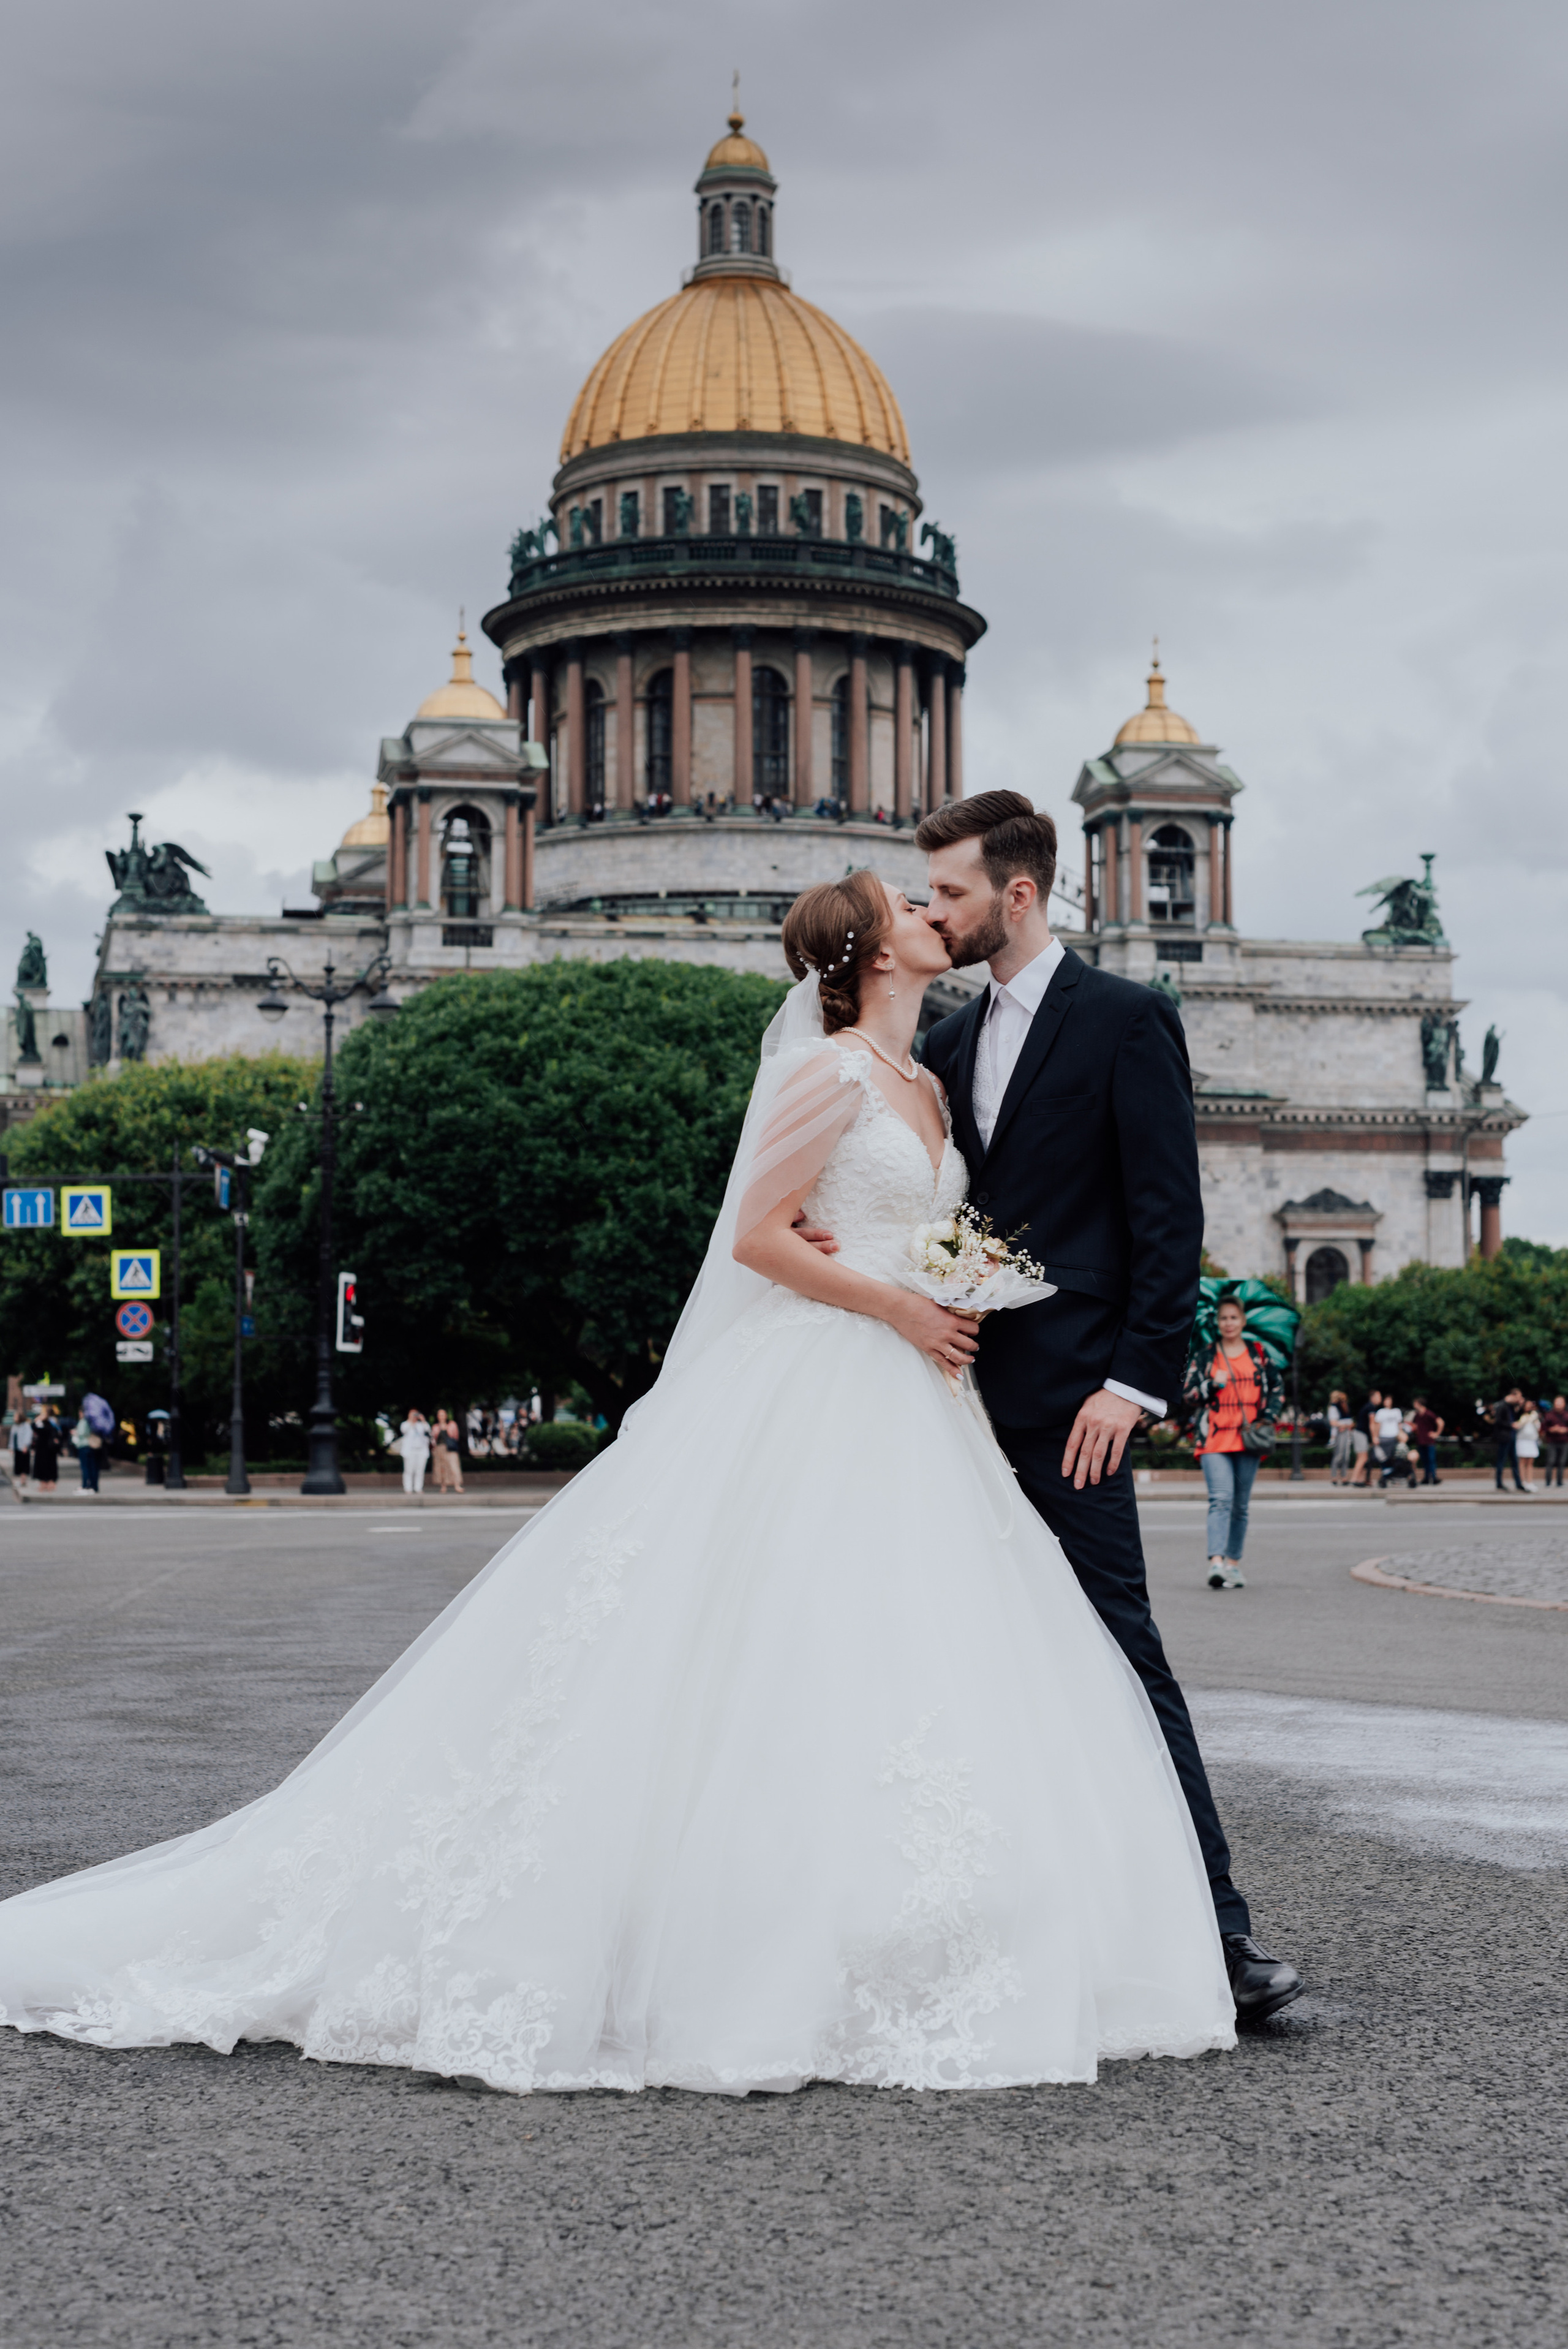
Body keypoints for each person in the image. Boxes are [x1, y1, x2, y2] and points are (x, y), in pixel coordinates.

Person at [0, 868, 1246, 2097]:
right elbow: (753, 1235)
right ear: (868, 950)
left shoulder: (927, 1074)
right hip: (837, 1374)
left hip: (915, 1396)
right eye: (910, 906)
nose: (938, 915)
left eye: (943, 898)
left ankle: (914, 1917)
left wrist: (945, 1294)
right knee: (777, 1650)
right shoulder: (823, 1070)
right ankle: (733, 1931)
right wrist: (896, 1302)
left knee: (898, 1653)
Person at [910, 792, 1302, 2021]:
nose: (936, 914)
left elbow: (1163, 1219)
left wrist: (1130, 1386)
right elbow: (939, 1223)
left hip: (1071, 1407)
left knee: (1124, 1662)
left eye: (952, 895)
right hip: (942, 1410)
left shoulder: (1127, 1020)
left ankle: (1219, 1938)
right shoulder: (938, 1046)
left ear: (1016, 896)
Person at [1183, 1296, 1280, 1589]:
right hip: (1215, 1437)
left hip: (1249, 1438)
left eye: (1233, 1318)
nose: (1228, 1323)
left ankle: (1233, 1564)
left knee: (1240, 1506)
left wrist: (1268, 1417)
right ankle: (1216, 1563)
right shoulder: (1206, 1356)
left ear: (1243, 1321)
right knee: (1221, 1500)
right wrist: (1212, 1384)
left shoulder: (1259, 1354)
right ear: (1218, 1323)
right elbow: (1188, 1394)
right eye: (1224, 1318)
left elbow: (1276, 1389)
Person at [1488, 1390, 1526, 1493]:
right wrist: (1511, 1425)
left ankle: (1519, 1484)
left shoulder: (1510, 1406)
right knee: (1502, 1461)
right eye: (1518, 1397)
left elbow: (1515, 1418)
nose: (1519, 1399)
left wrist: (1520, 1406)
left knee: (1514, 1461)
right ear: (1512, 1395)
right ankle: (1499, 1484)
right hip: (1504, 1437)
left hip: (1511, 1437)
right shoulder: (1501, 1405)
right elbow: (1499, 1421)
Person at [1408, 1396, 1444, 1486]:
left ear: (1419, 1404)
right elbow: (1414, 1426)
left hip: (1429, 1441)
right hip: (1421, 1441)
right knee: (1425, 1461)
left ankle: (1434, 1478)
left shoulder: (1429, 1414)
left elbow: (1441, 1422)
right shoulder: (1417, 1415)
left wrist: (1437, 1434)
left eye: (1415, 1403)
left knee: (1431, 1460)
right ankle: (1427, 1478)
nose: (1414, 1405)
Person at [1372, 1396, 1408, 1488]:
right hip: (1384, 1437)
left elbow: (1399, 1425)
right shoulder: (1381, 1412)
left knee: (1395, 1458)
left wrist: (1402, 1436)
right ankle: (1387, 1475)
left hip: (1394, 1437)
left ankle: (1393, 1477)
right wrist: (1375, 1437)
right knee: (1384, 1458)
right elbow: (1377, 1425)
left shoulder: (1396, 1411)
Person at [1349, 1390, 1381, 1488]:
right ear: (1373, 1397)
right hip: (1361, 1434)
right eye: (1379, 1396)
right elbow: (1372, 1424)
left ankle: (1360, 1479)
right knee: (1363, 1458)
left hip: (1360, 1434)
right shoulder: (1371, 1407)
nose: (1380, 1399)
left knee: (1362, 1458)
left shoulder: (1368, 1406)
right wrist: (1374, 1438)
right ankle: (1354, 1479)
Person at [398, 1408, 431, 1495]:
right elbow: (404, 1431)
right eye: (412, 1414)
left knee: (420, 1470)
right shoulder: (405, 1424)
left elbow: (428, 1430)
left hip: (421, 1450)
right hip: (410, 1451)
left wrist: (423, 1420)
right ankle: (408, 1488)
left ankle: (418, 1488)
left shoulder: (421, 1425)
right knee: (409, 1470)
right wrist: (411, 1421)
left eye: (416, 1414)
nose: (414, 1416)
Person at [431, 1409, 464, 1494]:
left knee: (454, 1467)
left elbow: (456, 1436)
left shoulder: (452, 1425)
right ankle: (443, 1486)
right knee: (441, 1468)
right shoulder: (435, 1427)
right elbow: (433, 1439)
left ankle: (457, 1485)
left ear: (446, 1416)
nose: (441, 1417)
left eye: (443, 1415)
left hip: (450, 1448)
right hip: (439, 1448)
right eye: (440, 1415)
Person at [69, 1410, 102, 1496]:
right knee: (92, 1467)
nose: (79, 1414)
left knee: (85, 1468)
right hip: (90, 1446)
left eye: (80, 1412)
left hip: (84, 1446)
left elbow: (82, 1433)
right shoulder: (91, 1422)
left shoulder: (84, 1421)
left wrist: (75, 1432)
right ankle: (93, 1486)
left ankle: (85, 1486)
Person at [28, 1410, 59, 1494]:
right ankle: (44, 1484)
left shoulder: (51, 1424)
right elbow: (34, 1427)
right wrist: (37, 1420)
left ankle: (50, 1484)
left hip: (49, 1450)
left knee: (49, 1467)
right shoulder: (40, 1424)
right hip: (42, 1450)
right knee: (42, 1467)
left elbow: (56, 1433)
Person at [1326, 1391, 1354, 1484]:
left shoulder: (1345, 1409)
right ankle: (1334, 1476)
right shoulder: (1333, 1408)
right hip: (1339, 1433)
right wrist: (1344, 1425)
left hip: (1346, 1433)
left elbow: (1350, 1422)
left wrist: (1346, 1426)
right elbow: (1333, 1423)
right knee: (1339, 1455)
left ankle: (1344, 1476)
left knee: (1346, 1456)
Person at [1515, 1399, 1541, 1491]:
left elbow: (1538, 1427)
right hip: (1522, 1440)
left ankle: (1530, 1482)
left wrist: (1535, 1420)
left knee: (1530, 1462)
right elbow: (1517, 1426)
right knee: (1522, 1462)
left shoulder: (1534, 1415)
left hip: (1531, 1440)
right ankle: (1523, 1482)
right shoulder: (1520, 1415)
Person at [1543, 1396, 1568, 1489]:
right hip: (1552, 1441)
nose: (1559, 1404)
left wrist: (1565, 1430)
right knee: (1551, 1461)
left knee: (1562, 1462)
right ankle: (1548, 1482)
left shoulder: (1566, 1415)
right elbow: (1544, 1428)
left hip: (1564, 1441)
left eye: (1561, 1402)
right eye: (1557, 1402)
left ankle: (1560, 1482)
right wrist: (1552, 1429)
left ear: (1564, 1404)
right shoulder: (1549, 1415)